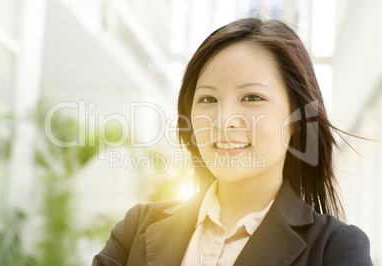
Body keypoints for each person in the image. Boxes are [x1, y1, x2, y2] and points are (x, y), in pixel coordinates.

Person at [92, 18, 373, 265]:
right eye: (208, 99)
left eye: (252, 98)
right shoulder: (137, 229)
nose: (224, 120)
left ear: (298, 118)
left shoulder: (334, 249)